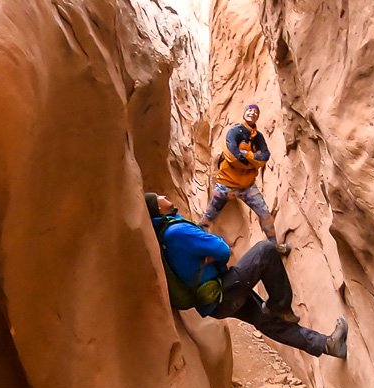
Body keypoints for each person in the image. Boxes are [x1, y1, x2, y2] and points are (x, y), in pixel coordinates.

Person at [147, 192, 347, 359]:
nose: (164, 196)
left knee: (266, 321)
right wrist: (210, 254)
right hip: (222, 291)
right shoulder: (176, 231)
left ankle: (328, 345)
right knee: (266, 251)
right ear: (158, 209)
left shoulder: (163, 233)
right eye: (159, 197)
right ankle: (280, 306)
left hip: (213, 301)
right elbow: (222, 249)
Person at [199, 103, 291, 255]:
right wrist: (253, 160)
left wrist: (246, 156)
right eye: (249, 110)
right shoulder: (234, 132)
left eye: (255, 112)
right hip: (225, 185)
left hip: (247, 186)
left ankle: (274, 247)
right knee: (209, 217)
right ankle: (197, 247)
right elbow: (232, 155)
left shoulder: (258, 137)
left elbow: (264, 157)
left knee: (265, 214)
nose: (252, 113)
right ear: (244, 113)